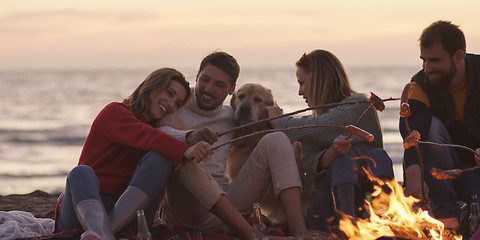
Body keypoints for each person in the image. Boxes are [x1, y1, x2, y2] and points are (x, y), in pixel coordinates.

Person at [158, 51, 308, 239]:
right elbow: (156, 133)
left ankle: (300, 233)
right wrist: (191, 136)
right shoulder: (175, 107)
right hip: (188, 213)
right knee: (186, 154)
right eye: (205, 80)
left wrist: (277, 119)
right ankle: (254, 236)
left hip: (228, 209)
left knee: (276, 139)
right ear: (196, 76)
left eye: (219, 85)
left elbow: (267, 144)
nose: (208, 89)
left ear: (231, 90)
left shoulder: (232, 116)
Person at [54, 68, 213, 240]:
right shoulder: (115, 112)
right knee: (81, 172)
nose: (171, 104)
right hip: (83, 209)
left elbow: (155, 140)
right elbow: (144, 136)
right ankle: (104, 235)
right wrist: (186, 148)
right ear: (152, 86)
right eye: (169, 93)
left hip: (128, 216)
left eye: (177, 103)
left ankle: (103, 235)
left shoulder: (159, 134)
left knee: (160, 159)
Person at [267, 50, 394, 234]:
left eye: (302, 83)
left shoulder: (359, 105)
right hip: (327, 213)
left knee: (378, 156)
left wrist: (279, 122)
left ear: (319, 80)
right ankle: (347, 228)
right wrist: (332, 154)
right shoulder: (314, 126)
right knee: (342, 162)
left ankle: (385, 218)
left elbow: (325, 126)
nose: (299, 91)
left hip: (363, 204)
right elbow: (310, 165)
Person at [399, 20, 480, 232]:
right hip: (442, 175)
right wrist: (414, 175)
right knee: (431, 128)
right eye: (424, 60)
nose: (427, 69)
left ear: (459, 56)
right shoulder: (419, 86)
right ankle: (447, 221)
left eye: (434, 60)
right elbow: (412, 134)